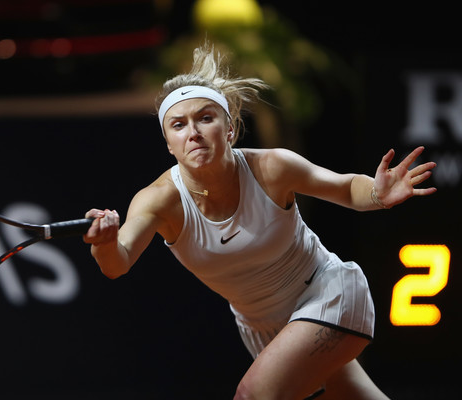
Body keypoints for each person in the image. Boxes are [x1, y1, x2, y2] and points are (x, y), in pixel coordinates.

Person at [83, 44, 437, 400]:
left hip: (328, 295)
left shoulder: (272, 168)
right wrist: (105, 243)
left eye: (206, 118)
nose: (193, 132)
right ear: (169, 145)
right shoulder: (158, 200)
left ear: (231, 128)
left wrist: (377, 194)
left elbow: (345, 188)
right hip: (263, 329)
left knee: (251, 396)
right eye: (178, 125)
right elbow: (117, 263)